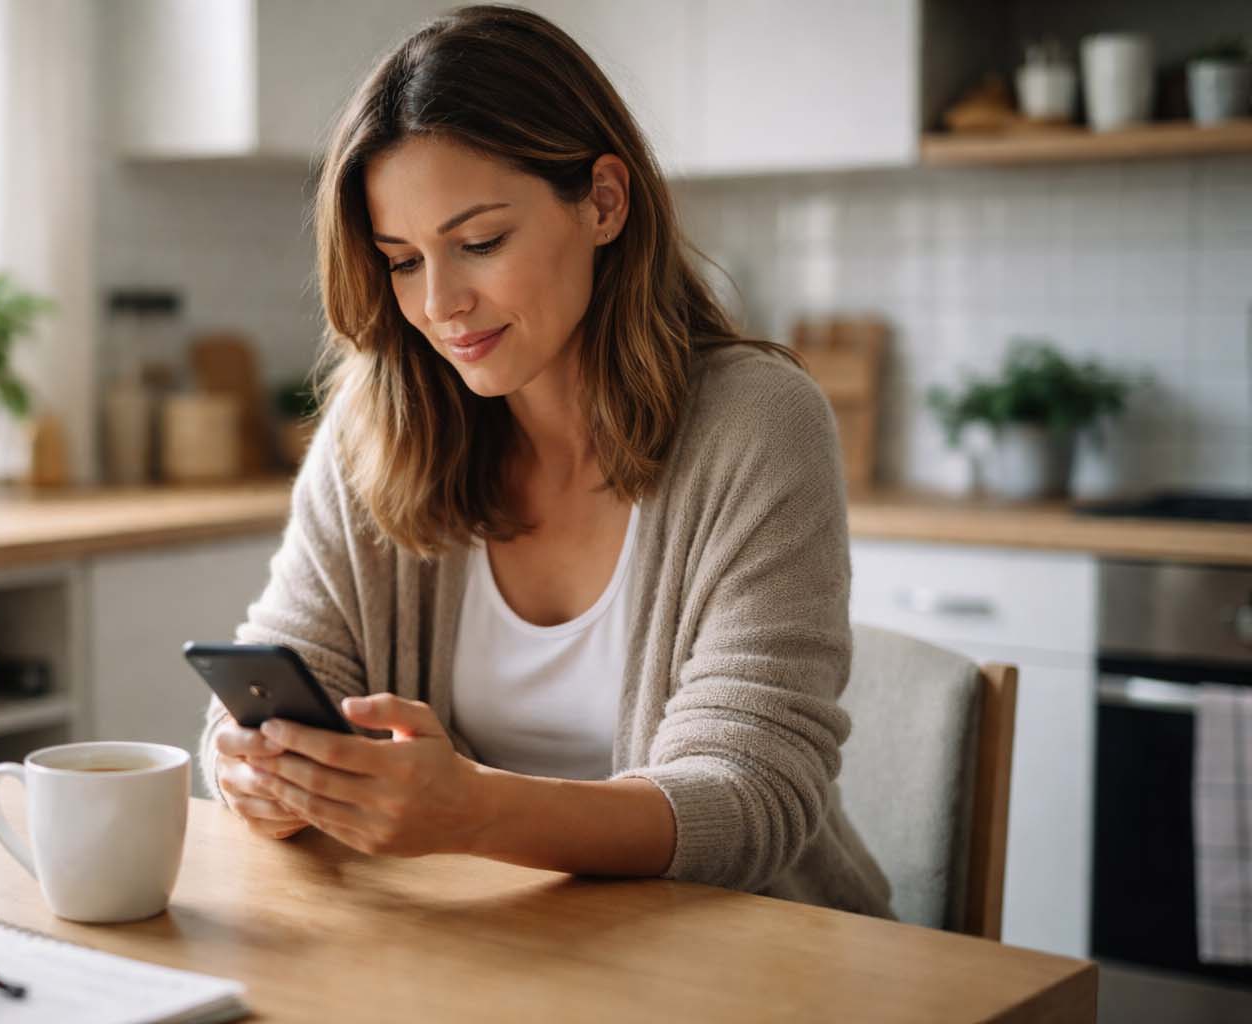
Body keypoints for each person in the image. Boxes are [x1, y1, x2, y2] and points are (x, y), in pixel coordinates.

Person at [200, 4, 892, 917]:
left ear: (604, 201)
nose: (440, 302)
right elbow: (280, 665)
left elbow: (750, 796)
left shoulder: (757, 423)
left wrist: (474, 811)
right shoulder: (379, 426)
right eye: (402, 260)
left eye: (479, 242)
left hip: (749, 960)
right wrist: (251, 763)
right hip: (500, 950)